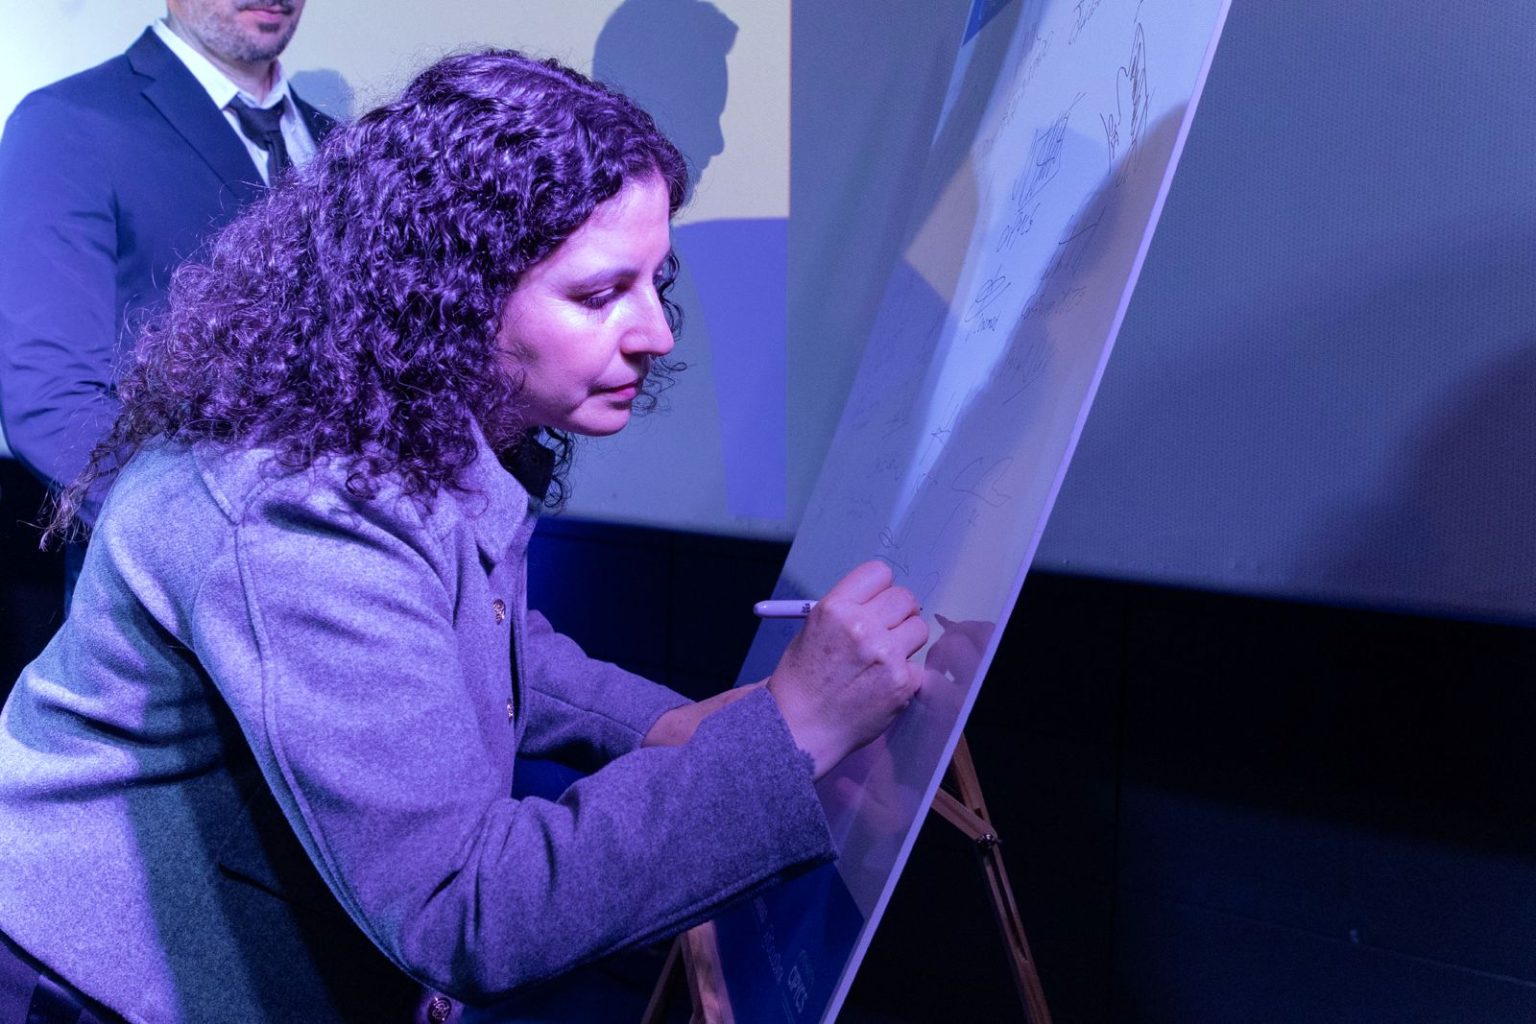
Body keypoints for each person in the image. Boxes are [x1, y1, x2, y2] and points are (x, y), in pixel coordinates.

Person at [0, 50, 927, 1024]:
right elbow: (465, 907)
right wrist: (793, 733)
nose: (656, 332)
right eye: (599, 294)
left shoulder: (395, 429)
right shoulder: (304, 509)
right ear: (450, 296)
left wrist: (663, 727)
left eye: (656, 281)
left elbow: (469, 642)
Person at [0, 0, 330, 541]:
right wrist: (228, 545)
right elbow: (52, 400)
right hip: (175, 572)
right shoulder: (67, 122)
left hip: (359, 559)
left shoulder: (343, 144)